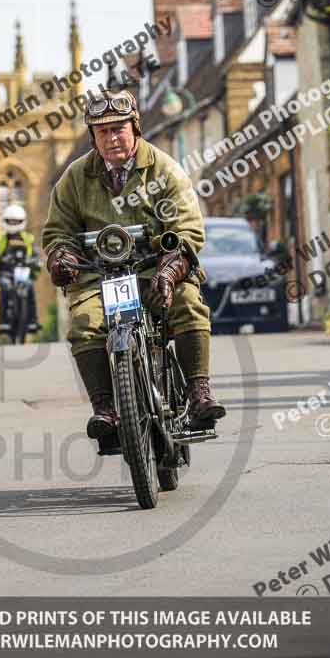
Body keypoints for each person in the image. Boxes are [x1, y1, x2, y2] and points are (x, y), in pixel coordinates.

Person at [42, 89, 226, 438]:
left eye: (118, 129)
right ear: (93, 137)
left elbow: (186, 226)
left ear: (135, 127)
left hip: (154, 273)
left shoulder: (164, 169)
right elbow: (57, 231)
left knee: (188, 304)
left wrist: (171, 269)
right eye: (102, 132)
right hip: (99, 279)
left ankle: (199, 392)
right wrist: (62, 256)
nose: (112, 138)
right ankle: (106, 409)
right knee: (83, 323)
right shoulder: (74, 179)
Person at [0, 204, 41, 334]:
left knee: (29, 288)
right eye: (11, 221)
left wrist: (37, 261)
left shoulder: (29, 238)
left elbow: (35, 253)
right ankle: (4, 322)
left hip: (23, 270)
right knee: (5, 289)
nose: (13, 223)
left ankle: (32, 321)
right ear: (5, 221)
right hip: (4, 272)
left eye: (16, 221)